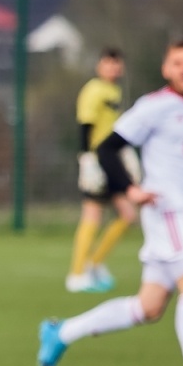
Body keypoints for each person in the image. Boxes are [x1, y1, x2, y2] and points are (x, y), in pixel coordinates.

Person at [37, 40, 183, 366]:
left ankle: (62, 333)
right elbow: (107, 148)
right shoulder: (154, 106)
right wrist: (130, 189)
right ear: (166, 69)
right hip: (167, 210)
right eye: (177, 63)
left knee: (149, 307)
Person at [66, 48, 139, 293]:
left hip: (114, 160)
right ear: (99, 65)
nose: (113, 68)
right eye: (108, 63)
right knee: (92, 214)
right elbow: (85, 125)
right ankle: (77, 273)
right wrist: (86, 158)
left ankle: (94, 263)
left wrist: (125, 154)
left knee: (128, 215)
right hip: (98, 159)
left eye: (117, 63)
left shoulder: (115, 91)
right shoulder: (94, 90)